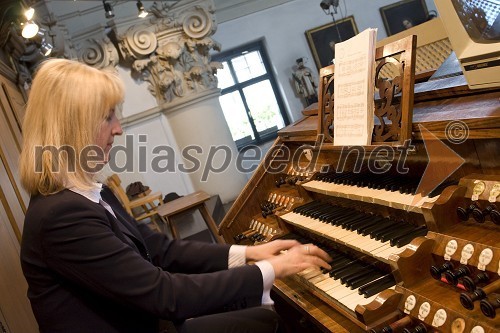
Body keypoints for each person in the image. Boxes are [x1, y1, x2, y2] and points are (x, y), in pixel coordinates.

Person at [19, 58, 332, 333]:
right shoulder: (61, 216)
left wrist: (249, 254)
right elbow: (164, 295)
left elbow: (160, 249)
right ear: (74, 128)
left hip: (150, 322)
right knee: (270, 316)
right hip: (151, 322)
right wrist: (272, 269)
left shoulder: (89, 192)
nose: (118, 130)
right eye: (107, 117)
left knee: (268, 319)